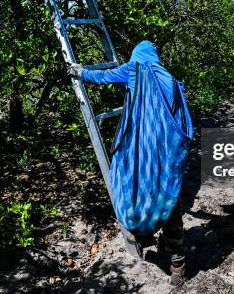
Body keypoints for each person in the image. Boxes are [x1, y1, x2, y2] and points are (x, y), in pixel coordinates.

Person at [67, 40, 192, 285]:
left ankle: (144, 237)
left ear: (138, 56)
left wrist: (80, 71)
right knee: (170, 205)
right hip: (166, 156)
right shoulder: (168, 77)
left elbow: (103, 77)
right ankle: (178, 267)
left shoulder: (135, 69)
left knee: (136, 191)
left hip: (143, 153)